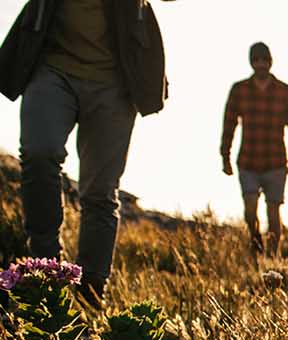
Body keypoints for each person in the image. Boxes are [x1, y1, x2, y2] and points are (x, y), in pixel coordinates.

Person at [0, 0, 168, 308]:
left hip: (116, 80)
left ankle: (91, 290)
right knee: (39, 152)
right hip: (51, 67)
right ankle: (46, 269)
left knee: (100, 191)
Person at [220, 42, 288, 257]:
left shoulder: (285, 92)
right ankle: (255, 243)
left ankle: (272, 257)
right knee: (250, 209)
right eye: (256, 60)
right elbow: (229, 123)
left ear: (270, 62)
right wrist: (225, 157)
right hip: (248, 160)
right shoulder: (240, 90)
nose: (261, 64)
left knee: (273, 211)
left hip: (275, 162)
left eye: (264, 60)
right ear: (252, 62)